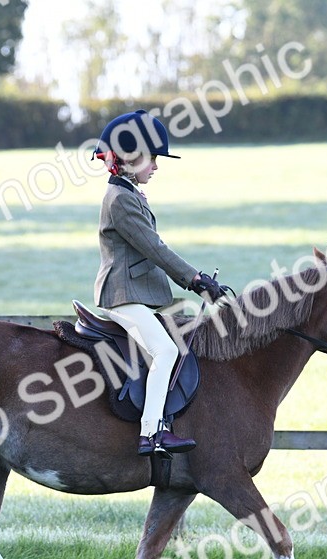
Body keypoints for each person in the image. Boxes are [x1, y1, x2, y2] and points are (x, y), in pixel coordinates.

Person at [92, 110, 228, 456]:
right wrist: (195, 280)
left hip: (138, 293)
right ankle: (151, 434)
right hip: (123, 296)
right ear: (129, 158)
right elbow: (154, 248)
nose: (156, 166)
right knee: (165, 351)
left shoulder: (129, 193)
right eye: (152, 159)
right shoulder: (121, 199)